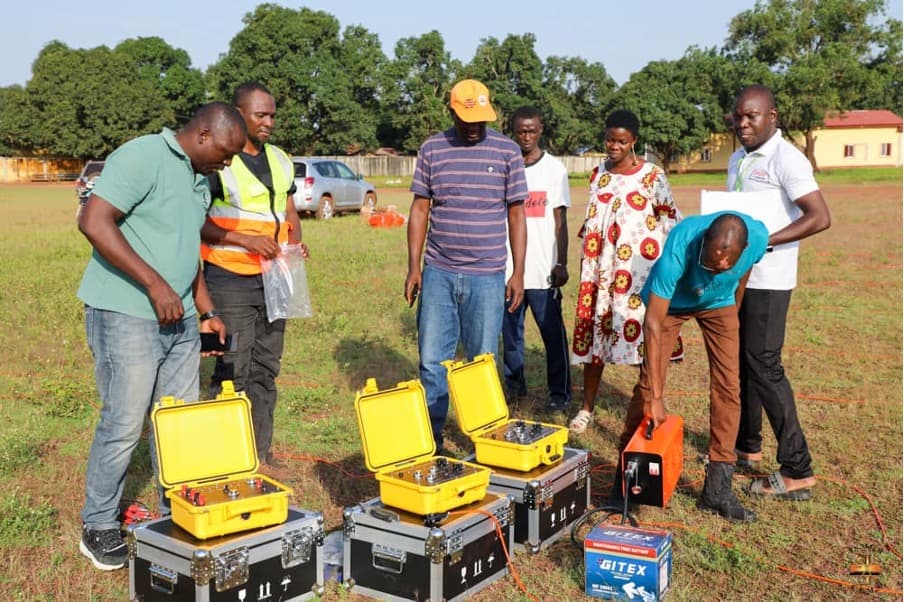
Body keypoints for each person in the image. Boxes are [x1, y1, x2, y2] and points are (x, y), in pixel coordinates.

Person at [76, 102, 247, 570]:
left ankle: (177, 512)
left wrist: (206, 310)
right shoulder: (144, 155)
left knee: (178, 424)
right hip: (126, 312)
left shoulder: (197, 178)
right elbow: (93, 221)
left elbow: (184, 250)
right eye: (227, 154)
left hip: (183, 319)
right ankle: (99, 526)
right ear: (206, 133)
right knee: (125, 423)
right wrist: (154, 286)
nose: (228, 164)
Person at [617, 212, 768, 522]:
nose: (723, 266)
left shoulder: (758, 237)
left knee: (729, 387)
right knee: (648, 387)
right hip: (672, 306)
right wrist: (657, 398)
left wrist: (733, 314)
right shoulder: (680, 245)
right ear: (703, 244)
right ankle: (626, 479)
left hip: (719, 304)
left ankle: (717, 489)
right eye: (713, 261)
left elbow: (744, 274)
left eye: (730, 260)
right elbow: (654, 323)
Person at [405, 79, 528, 449]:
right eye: (467, 118)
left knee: (482, 363)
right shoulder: (432, 149)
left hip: (488, 275)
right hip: (439, 272)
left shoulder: (507, 151)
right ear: (452, 110)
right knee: (431, 360)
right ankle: (433, 437)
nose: (475, 125)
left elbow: (517, 215)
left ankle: (485, 439)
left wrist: (518, 272)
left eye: (481, 119)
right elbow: (420, 209)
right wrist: (414, 267)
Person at [729, 85, 831, 500]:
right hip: (740, 278)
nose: (743, 124)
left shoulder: (787, 158)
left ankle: (797, 469)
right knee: (744, 363)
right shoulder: (738, 158)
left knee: (765, 366)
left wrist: (765, 241)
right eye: (738, 117)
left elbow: (820, 216)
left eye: (751, 116)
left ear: (772, 117)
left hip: (770, 281)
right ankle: (747, 448)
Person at [201, 81, 306, 468]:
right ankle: (226, 457)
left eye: (273, 115)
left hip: (275, 277)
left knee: (266, 368)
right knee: (233, 368)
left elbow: (289, 212)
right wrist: (244, 240)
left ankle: (262, 453)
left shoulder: (279, 158)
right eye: (261, 115)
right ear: (239, 114)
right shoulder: (218, 162)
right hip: (230, 278)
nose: (269, 123)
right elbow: (196, 222)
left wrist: (296, 241)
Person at [568, 109, 682, 434]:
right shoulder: (596, 175)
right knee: (595, 344)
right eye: (609, 139)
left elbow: (670, 220)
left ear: (633, 141)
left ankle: (649, 406)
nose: (614, 146)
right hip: (599, 275)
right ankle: (586, 408)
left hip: (638, 277)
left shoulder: (652, 175)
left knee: (644, 343)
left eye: (621, 141)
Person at [502, 106, 572, 413]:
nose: (526, 136)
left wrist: (562, 263)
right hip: (508, 271)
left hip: (544, 271)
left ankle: (560, 393)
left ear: (541, 130)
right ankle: (515, 389)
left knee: (552, 337)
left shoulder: (555, 170)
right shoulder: (506, 166)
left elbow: (561, 220)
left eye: (532, 130)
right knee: (511, 338)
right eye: (521, 131)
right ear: (513, 131)